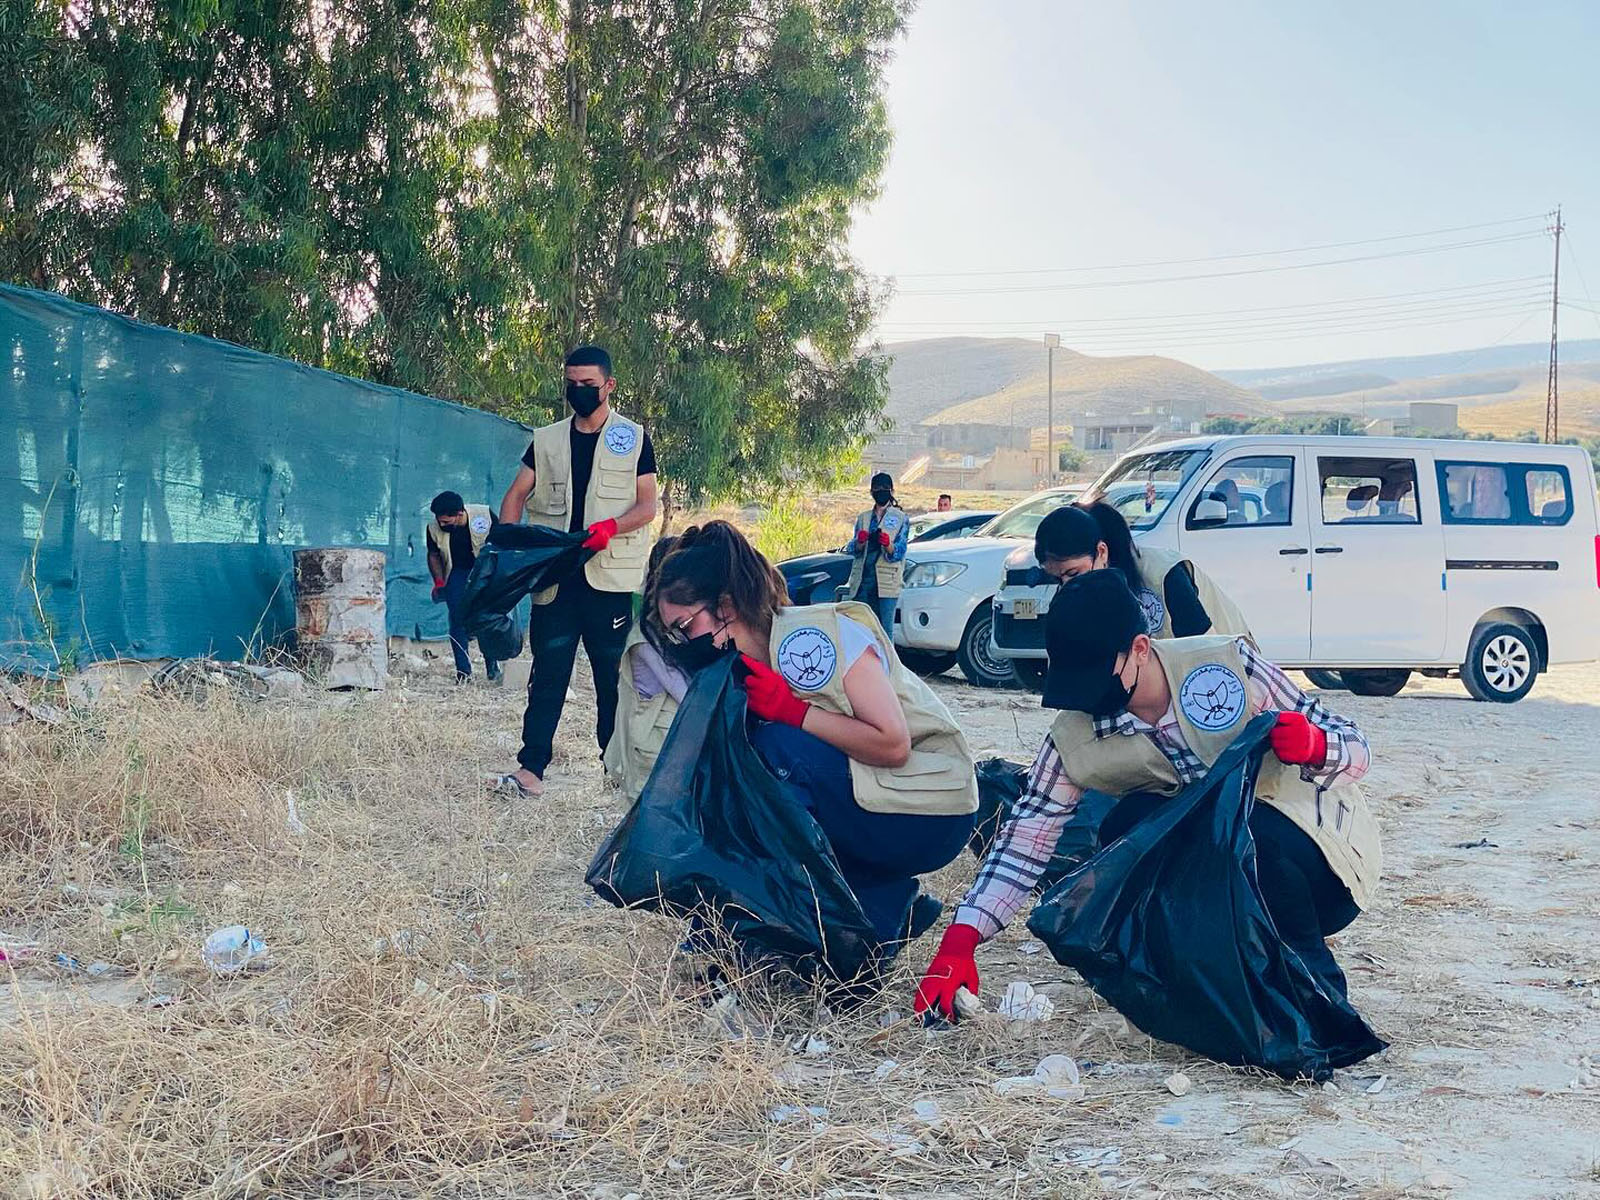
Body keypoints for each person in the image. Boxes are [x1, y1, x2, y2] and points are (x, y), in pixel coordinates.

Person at [914, 569, 1381, 1021]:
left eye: (1097, 673)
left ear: (1140, 648)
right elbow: (1026, 839)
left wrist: (1316, 746)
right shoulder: (1075, 735)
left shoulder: (1229, 667)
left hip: (1318, 870)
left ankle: (1313, 993)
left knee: (1252, 831)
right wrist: (961, 938)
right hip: (1220, 884)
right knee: (1126, 826)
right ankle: (1204, 985)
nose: (1086, 695)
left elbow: (1356, 747)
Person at [649, 520, 978, 956]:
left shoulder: (811, 639)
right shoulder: (740, 669)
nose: (681, 642)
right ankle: (883, 907)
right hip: (879, 802)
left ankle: (769, 927)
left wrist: (793, 712)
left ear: (725, 608)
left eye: (685, 626)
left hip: (930, 806)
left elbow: (893, 744)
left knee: (776, 754)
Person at [495, 345, 659, 798]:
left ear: (609, 386)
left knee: (612, 677)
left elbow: (648, 506)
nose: (579, 391)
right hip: (556, 579)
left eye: (588, 385)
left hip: (610, 580)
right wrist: (510, 546)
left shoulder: (634, 438)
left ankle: (615, 769)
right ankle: (531, 770)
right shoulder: (545, 439)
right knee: (548, 674)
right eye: (572, 383)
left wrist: (613, 525)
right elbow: (516, 495)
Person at [1033, 501, 1253, 641]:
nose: (1067, 586)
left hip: (1226, 669)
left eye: (1073, 574)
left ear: (1101, 552)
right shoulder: (1081, 590)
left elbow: (1205, 650)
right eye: (1057, 579)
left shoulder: (1162, 573)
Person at [603, 537, 688, 800]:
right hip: (654, 750)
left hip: (669, 747)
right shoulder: (645, 639)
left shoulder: (668, 628)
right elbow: (685, 693)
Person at [425, 491, 501, 684]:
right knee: (457, 620)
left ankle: (492, 667)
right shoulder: (433, 528)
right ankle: (464, 673)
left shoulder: (484, 515)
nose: (441, 525)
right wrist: (439, 582)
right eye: (439, 520)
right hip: (456, 573)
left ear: (459, 513)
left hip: (484, 572)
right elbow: (433, 555)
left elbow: (502, 542)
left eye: (446, 521)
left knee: (484, 619)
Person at [843, 472, 909, 636]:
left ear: (891, 491)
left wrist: (888, 545)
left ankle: (888, 662)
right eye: (877, 488)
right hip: (863, 581)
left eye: (884, 488)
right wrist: (860, 542)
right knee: (859, 628)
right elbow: (852, 549)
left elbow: (899, 552)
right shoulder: (863, 518)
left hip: (887, 582)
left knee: (885, 631)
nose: (881, 491)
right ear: (871, 491)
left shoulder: (900, 518)